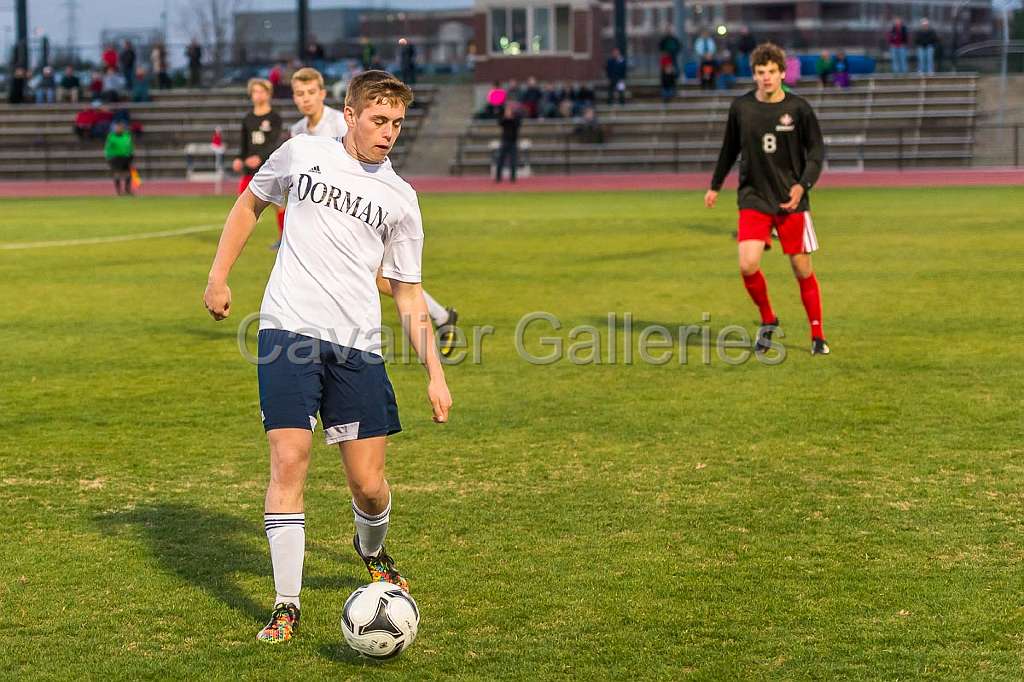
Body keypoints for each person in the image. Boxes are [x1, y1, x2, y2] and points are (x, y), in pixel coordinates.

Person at [202, 70, 453, 644]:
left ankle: (372, 548)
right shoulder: (301, 153)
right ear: (350, 114)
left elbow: (408, 293)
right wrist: (218, 276)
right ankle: (285, 604)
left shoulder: (402, 199)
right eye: (378, 120)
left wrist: (435, 374)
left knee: (369, 486)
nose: (388, 133)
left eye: (396, 124)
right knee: (289, 458)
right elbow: (250, 204)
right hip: (287, 329)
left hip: (358, 345)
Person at [289, 67, 461, 354]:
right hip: (333, 221)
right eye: (298, 94)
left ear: (322, 94)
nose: (305, 100)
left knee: (388, 278)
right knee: (382, 278)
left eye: (310, 93)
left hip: (361, 214)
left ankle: (440, 317)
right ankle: (442, 316)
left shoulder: (340, 122)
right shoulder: (297, 132)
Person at [704, 43, 830, 356]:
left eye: (772, 72)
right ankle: (768, 319)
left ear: (782, 73)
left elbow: (816, 153)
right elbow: (729, 149)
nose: (767, 78)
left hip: (790, 200)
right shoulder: (741, 108)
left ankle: (817, 335)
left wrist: (803, 186)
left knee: (802, 269)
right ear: (755, 75)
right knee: (747, 265)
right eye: (761, 73)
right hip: (754, 197)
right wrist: (715, 185)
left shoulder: (799, 109)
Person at [234, 78, 285, 244]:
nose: (258, 95)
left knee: (280, 205)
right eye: (255, 91)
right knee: (243, 204)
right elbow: (243, 144)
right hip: (250, 171)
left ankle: (283, 238)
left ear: (269, 94)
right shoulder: (247, 118)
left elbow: (274, 143)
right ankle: (238, 239)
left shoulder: (274, 117)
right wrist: (239, 159)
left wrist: (260, 158)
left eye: (262, 91)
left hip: (270, 167)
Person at [105, 120, 135, 196]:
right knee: (117, 174)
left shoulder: (127, 136)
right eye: (117, 128)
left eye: (120, 127)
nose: (119, 129)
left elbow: (130, 146)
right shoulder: (111, 136)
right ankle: (119, 191)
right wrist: (108, 157)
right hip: (115, 158)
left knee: (128, 174)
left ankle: (127, 189)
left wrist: (131, 154)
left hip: (126, 157)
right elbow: (108, 147)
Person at [495, 103, 521, 183]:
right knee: (500, 160)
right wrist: (506, 117)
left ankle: (513, 178)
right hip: (504, 141)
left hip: (513, 141)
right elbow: (500, 123)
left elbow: (517, 125)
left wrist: (511, 118)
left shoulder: (516, 118)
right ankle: (498, 178)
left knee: (513, 161)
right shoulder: (503, 118)